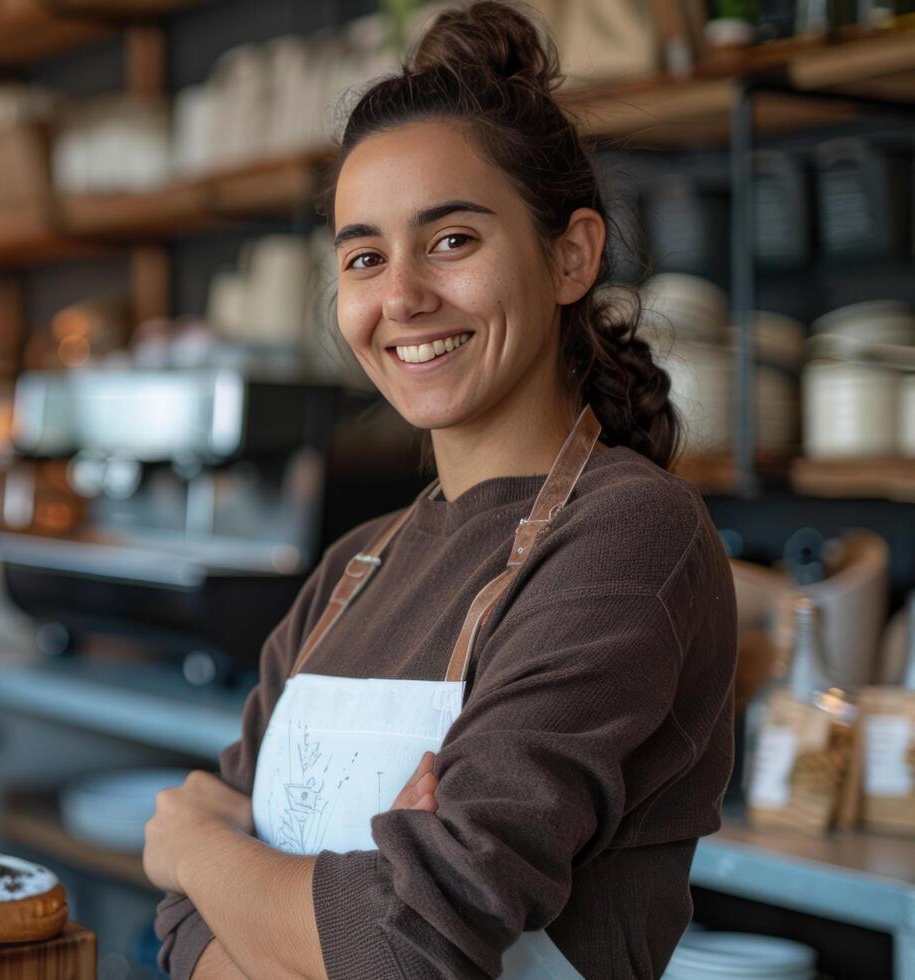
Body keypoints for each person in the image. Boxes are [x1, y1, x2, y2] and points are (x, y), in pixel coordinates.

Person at [144, 5, 736, 978]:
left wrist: (198, 847)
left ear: (571, 256)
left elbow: (412, 943)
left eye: (452, 239)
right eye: (364, 256)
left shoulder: (629, 536)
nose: (403, 297)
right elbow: (183, 930)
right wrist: (329, 906)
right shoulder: (355, 564)